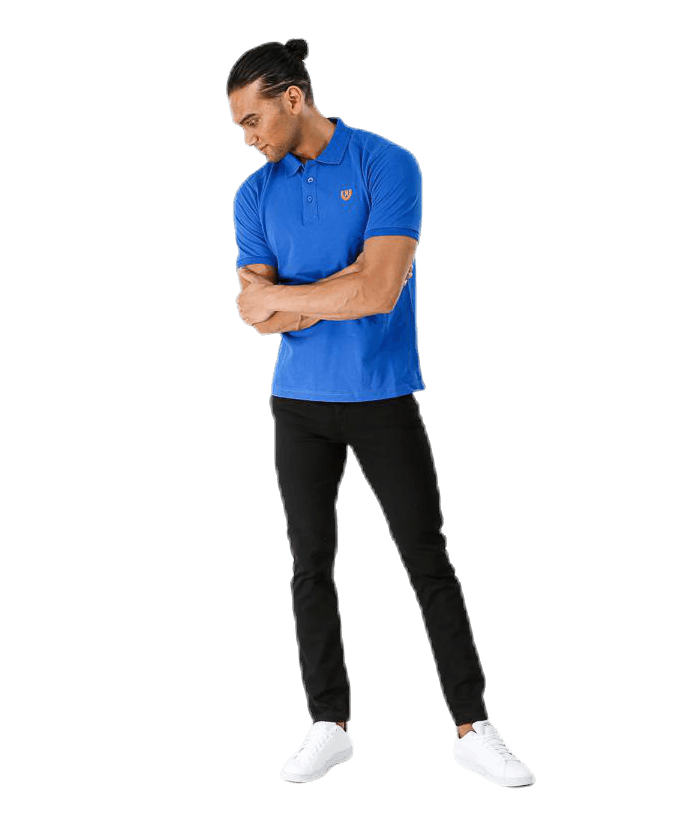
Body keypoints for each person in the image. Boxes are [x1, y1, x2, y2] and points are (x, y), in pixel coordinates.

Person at [228, 38, 535, 788]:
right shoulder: (253, 194)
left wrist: (296, 296)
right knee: (309, 564)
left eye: (252, 120)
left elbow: (379, 289)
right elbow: (253, 314)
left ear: (293, 97)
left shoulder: (385, 163)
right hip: (296, 405)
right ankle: (327, 725)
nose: (248, 137)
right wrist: (339, 287)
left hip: (381, 396)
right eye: (239, 128)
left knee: (426, 560)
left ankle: (473, 727)